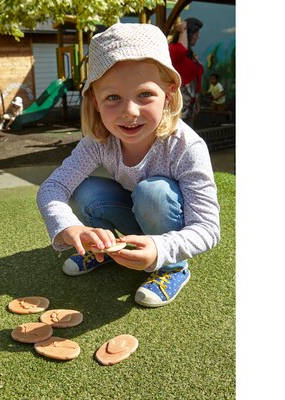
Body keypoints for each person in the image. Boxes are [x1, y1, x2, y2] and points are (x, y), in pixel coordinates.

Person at [36, 23, 220, 308]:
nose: (129, 112)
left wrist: (162, 248)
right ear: (95, 101)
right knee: (85, 190)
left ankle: (173, 268)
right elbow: (53, 188)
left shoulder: (186, 146)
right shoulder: (98, 141)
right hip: (134, 214)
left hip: (168, 222)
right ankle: (104, 248)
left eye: (145, 94)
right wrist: (71, 228)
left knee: (153, 192)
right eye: (113, 98)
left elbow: (207, 228)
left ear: (169, 94)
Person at [169, 17, 204, 128]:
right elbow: (181, 49)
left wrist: (197, 99)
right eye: (195, 33)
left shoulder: (190, 54)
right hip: (179, 103)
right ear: (189, 34)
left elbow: (197, 77)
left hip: (190, 104)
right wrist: (183, 29)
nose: (198, 37)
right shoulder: (173, 50)